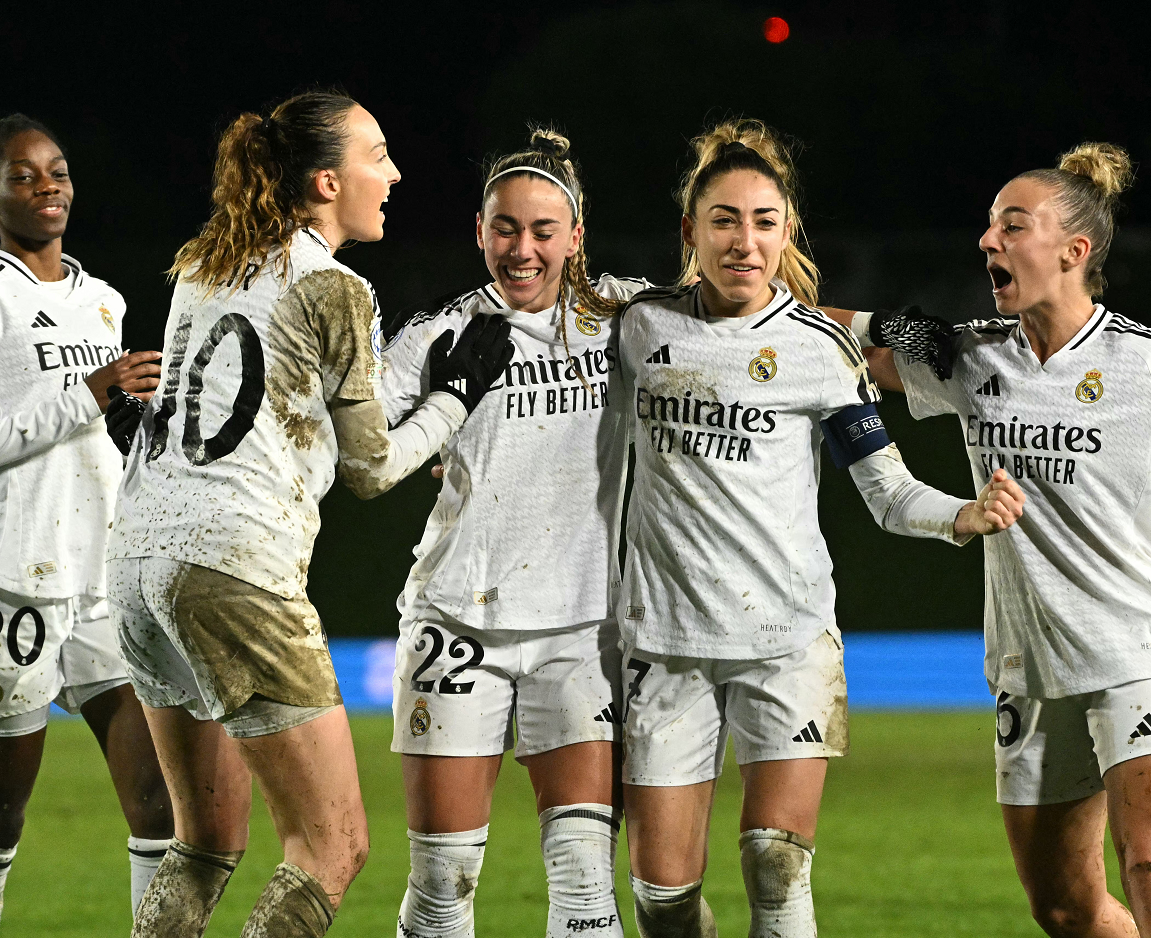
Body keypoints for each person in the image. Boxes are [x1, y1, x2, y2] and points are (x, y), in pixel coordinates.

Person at [105, 91, 513, 938]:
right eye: (378, 154)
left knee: (204, 843)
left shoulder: (203, 265)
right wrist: (456, 396)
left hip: (138, 563)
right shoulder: (334, 286)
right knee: (333, 847)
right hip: (233, 567)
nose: (394, 173)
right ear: (326, 181)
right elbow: (370, 468)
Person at [616, 119, 1026, 938]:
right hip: (665, 645)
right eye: (725, 220)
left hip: (787, 641)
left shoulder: (817, 350)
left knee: (777, 866)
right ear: (690, 231)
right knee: (663, 899)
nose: (745, 241)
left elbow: (885, 490)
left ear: (787, 232)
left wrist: (960, 514)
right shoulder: (635, 326)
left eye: (765, 222)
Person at [847, 143, 1151, 938]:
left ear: (1073, 252)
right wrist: (878, 322)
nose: (988, 241)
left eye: (1013, 226)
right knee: (1064, 908)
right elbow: (833, 353)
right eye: (988, 227)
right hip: (1029, 664)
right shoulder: (974, 355)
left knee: (1147, 859)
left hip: (1136, 654)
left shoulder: (1142, 367)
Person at [380, 128, 649, 938]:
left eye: (542, 231)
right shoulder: (440, 338)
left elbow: (744, 333)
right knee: (441, 884)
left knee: (584, 889)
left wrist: (875, 332)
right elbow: (357, 449)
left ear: (575, 235)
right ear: (478, 231)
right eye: (505, 228)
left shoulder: (629, 316)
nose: (522, 250)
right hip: (457, 618)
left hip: (584, 628)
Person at [0, 114, 173, 938]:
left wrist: (136, 420)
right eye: (24, 176)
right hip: (7, 584)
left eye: (57, 171)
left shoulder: (103, 302)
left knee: (158, 803)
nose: (48, 186)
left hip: (100, 583)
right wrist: (88, 394)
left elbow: (100, 434)